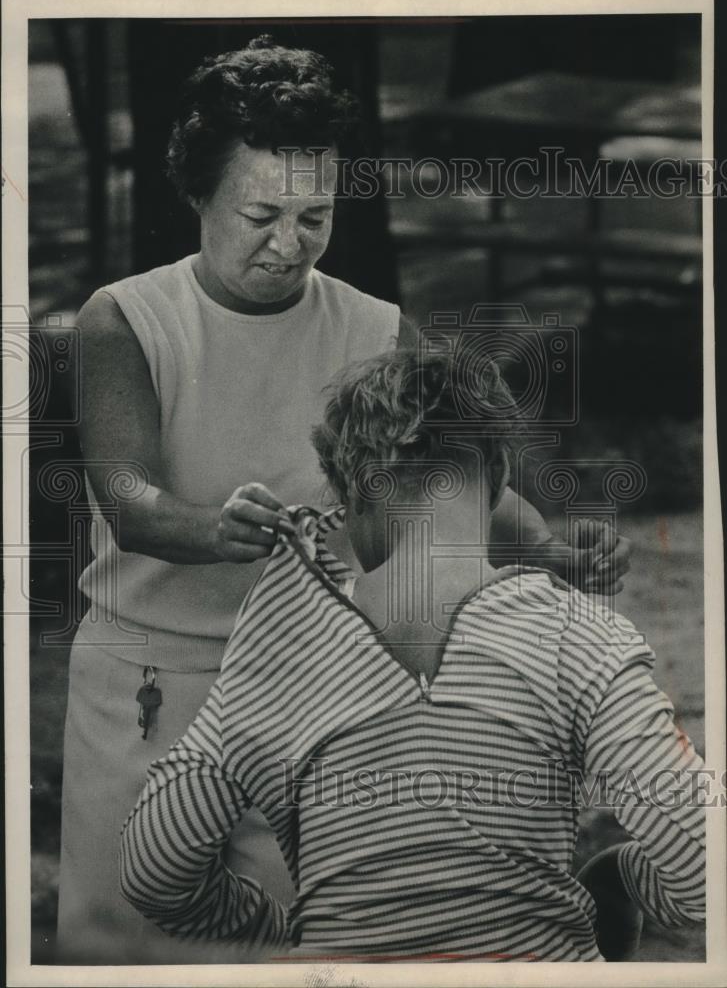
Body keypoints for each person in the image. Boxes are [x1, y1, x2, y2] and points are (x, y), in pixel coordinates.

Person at [58, 37, 629, 963]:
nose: (288, 244)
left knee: (304, 945)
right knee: (138, 944)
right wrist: (212, 527)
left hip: (313, 693)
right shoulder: (124, 320)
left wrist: (555, 552)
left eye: (313, 215)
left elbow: (469, 500)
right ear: (198, 192)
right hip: (145, 693)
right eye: (261, 213)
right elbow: (123, 496)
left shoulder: (374, 328)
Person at [119, 348, 705, 961]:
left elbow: (154, 869)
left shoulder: (283, 651)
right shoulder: (575, 634)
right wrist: (617, 879)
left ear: (353, 489)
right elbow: (702, 864)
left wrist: (286, 932)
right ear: (500, 473)